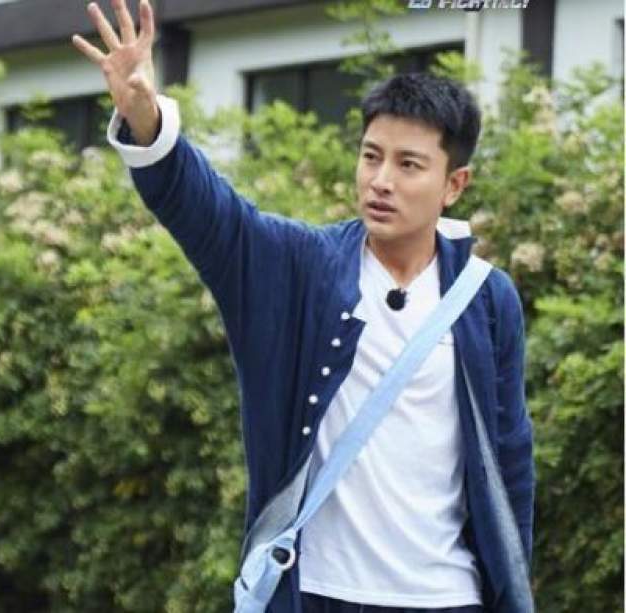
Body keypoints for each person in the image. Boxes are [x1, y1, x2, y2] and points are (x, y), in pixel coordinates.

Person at [71, 2, 536, 612]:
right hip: (315, 590)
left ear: (455, 184)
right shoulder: (302, 267)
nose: (381, 180)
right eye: (371, 156)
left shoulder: (486, 298)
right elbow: (212, 216)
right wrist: (145, 116)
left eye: (408, 165)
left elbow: (509, 463)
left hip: (446, 596)